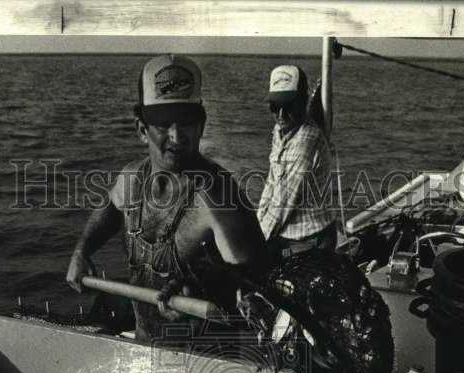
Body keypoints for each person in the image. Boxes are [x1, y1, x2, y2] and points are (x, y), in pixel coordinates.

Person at [66, 55, 268, 344]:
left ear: (201, 125)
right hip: (145, 345)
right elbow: (111, 208)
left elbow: (262, 285)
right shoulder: (131, 178)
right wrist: (82, 250)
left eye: (186, 123)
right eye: (163, 124)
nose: (176, 136)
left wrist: (201, 285)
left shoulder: (218, 198)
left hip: (206, 362)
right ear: (141, 128)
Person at [257, 65, 337, 260]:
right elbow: (271, 185)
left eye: (289, 106)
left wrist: (254, 245)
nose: (281, 115)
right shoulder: (281, 130)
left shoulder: (305, 142)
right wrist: (256, 224)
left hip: (309, 243)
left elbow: (281, 204)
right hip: (285, 235)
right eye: (275, 107)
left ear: (302, 102)